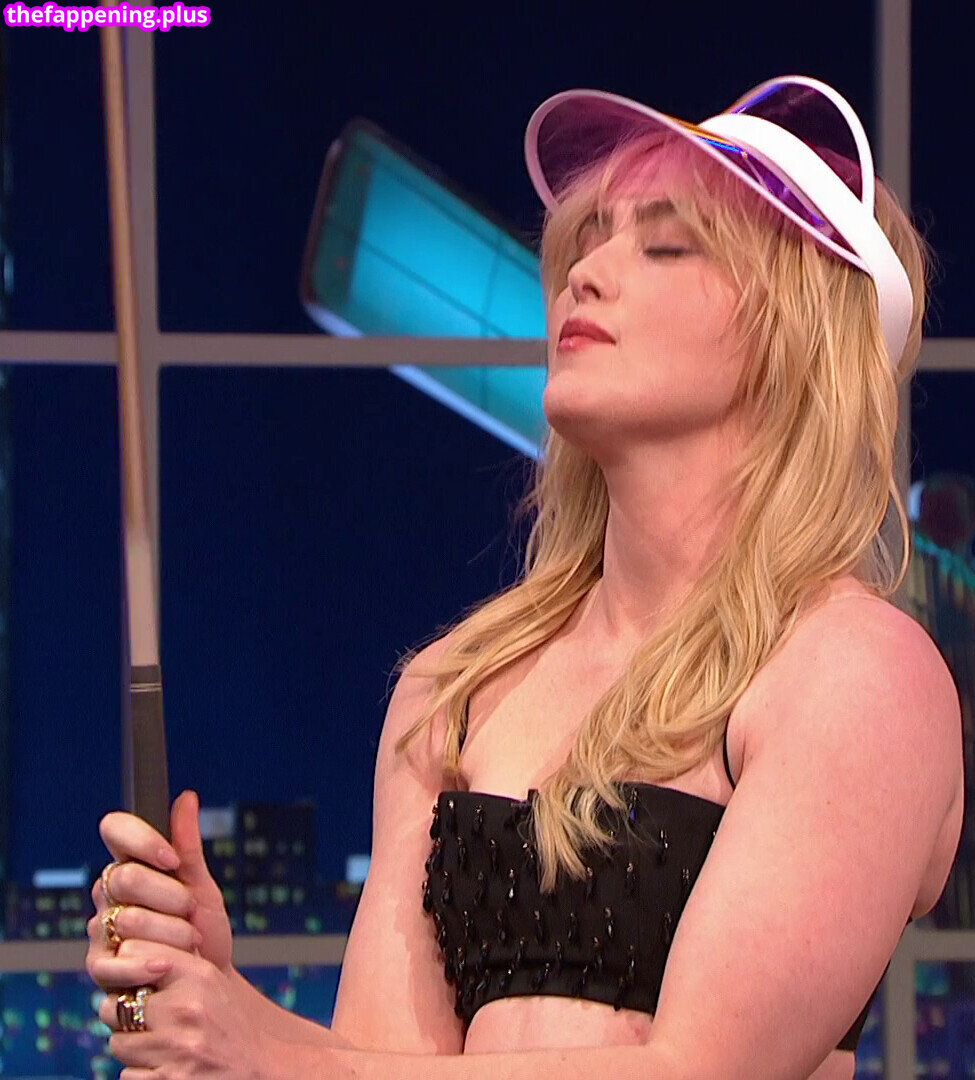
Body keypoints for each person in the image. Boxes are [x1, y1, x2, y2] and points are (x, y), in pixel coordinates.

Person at [86, 76, 964, 1080]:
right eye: (588, 238)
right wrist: (220, 1012)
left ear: (793, 331)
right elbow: (382, 1067)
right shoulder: (454, 690)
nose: (585, 272)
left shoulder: (857, 673)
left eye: (665, 245)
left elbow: (699, 1070)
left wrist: (271, 1054)